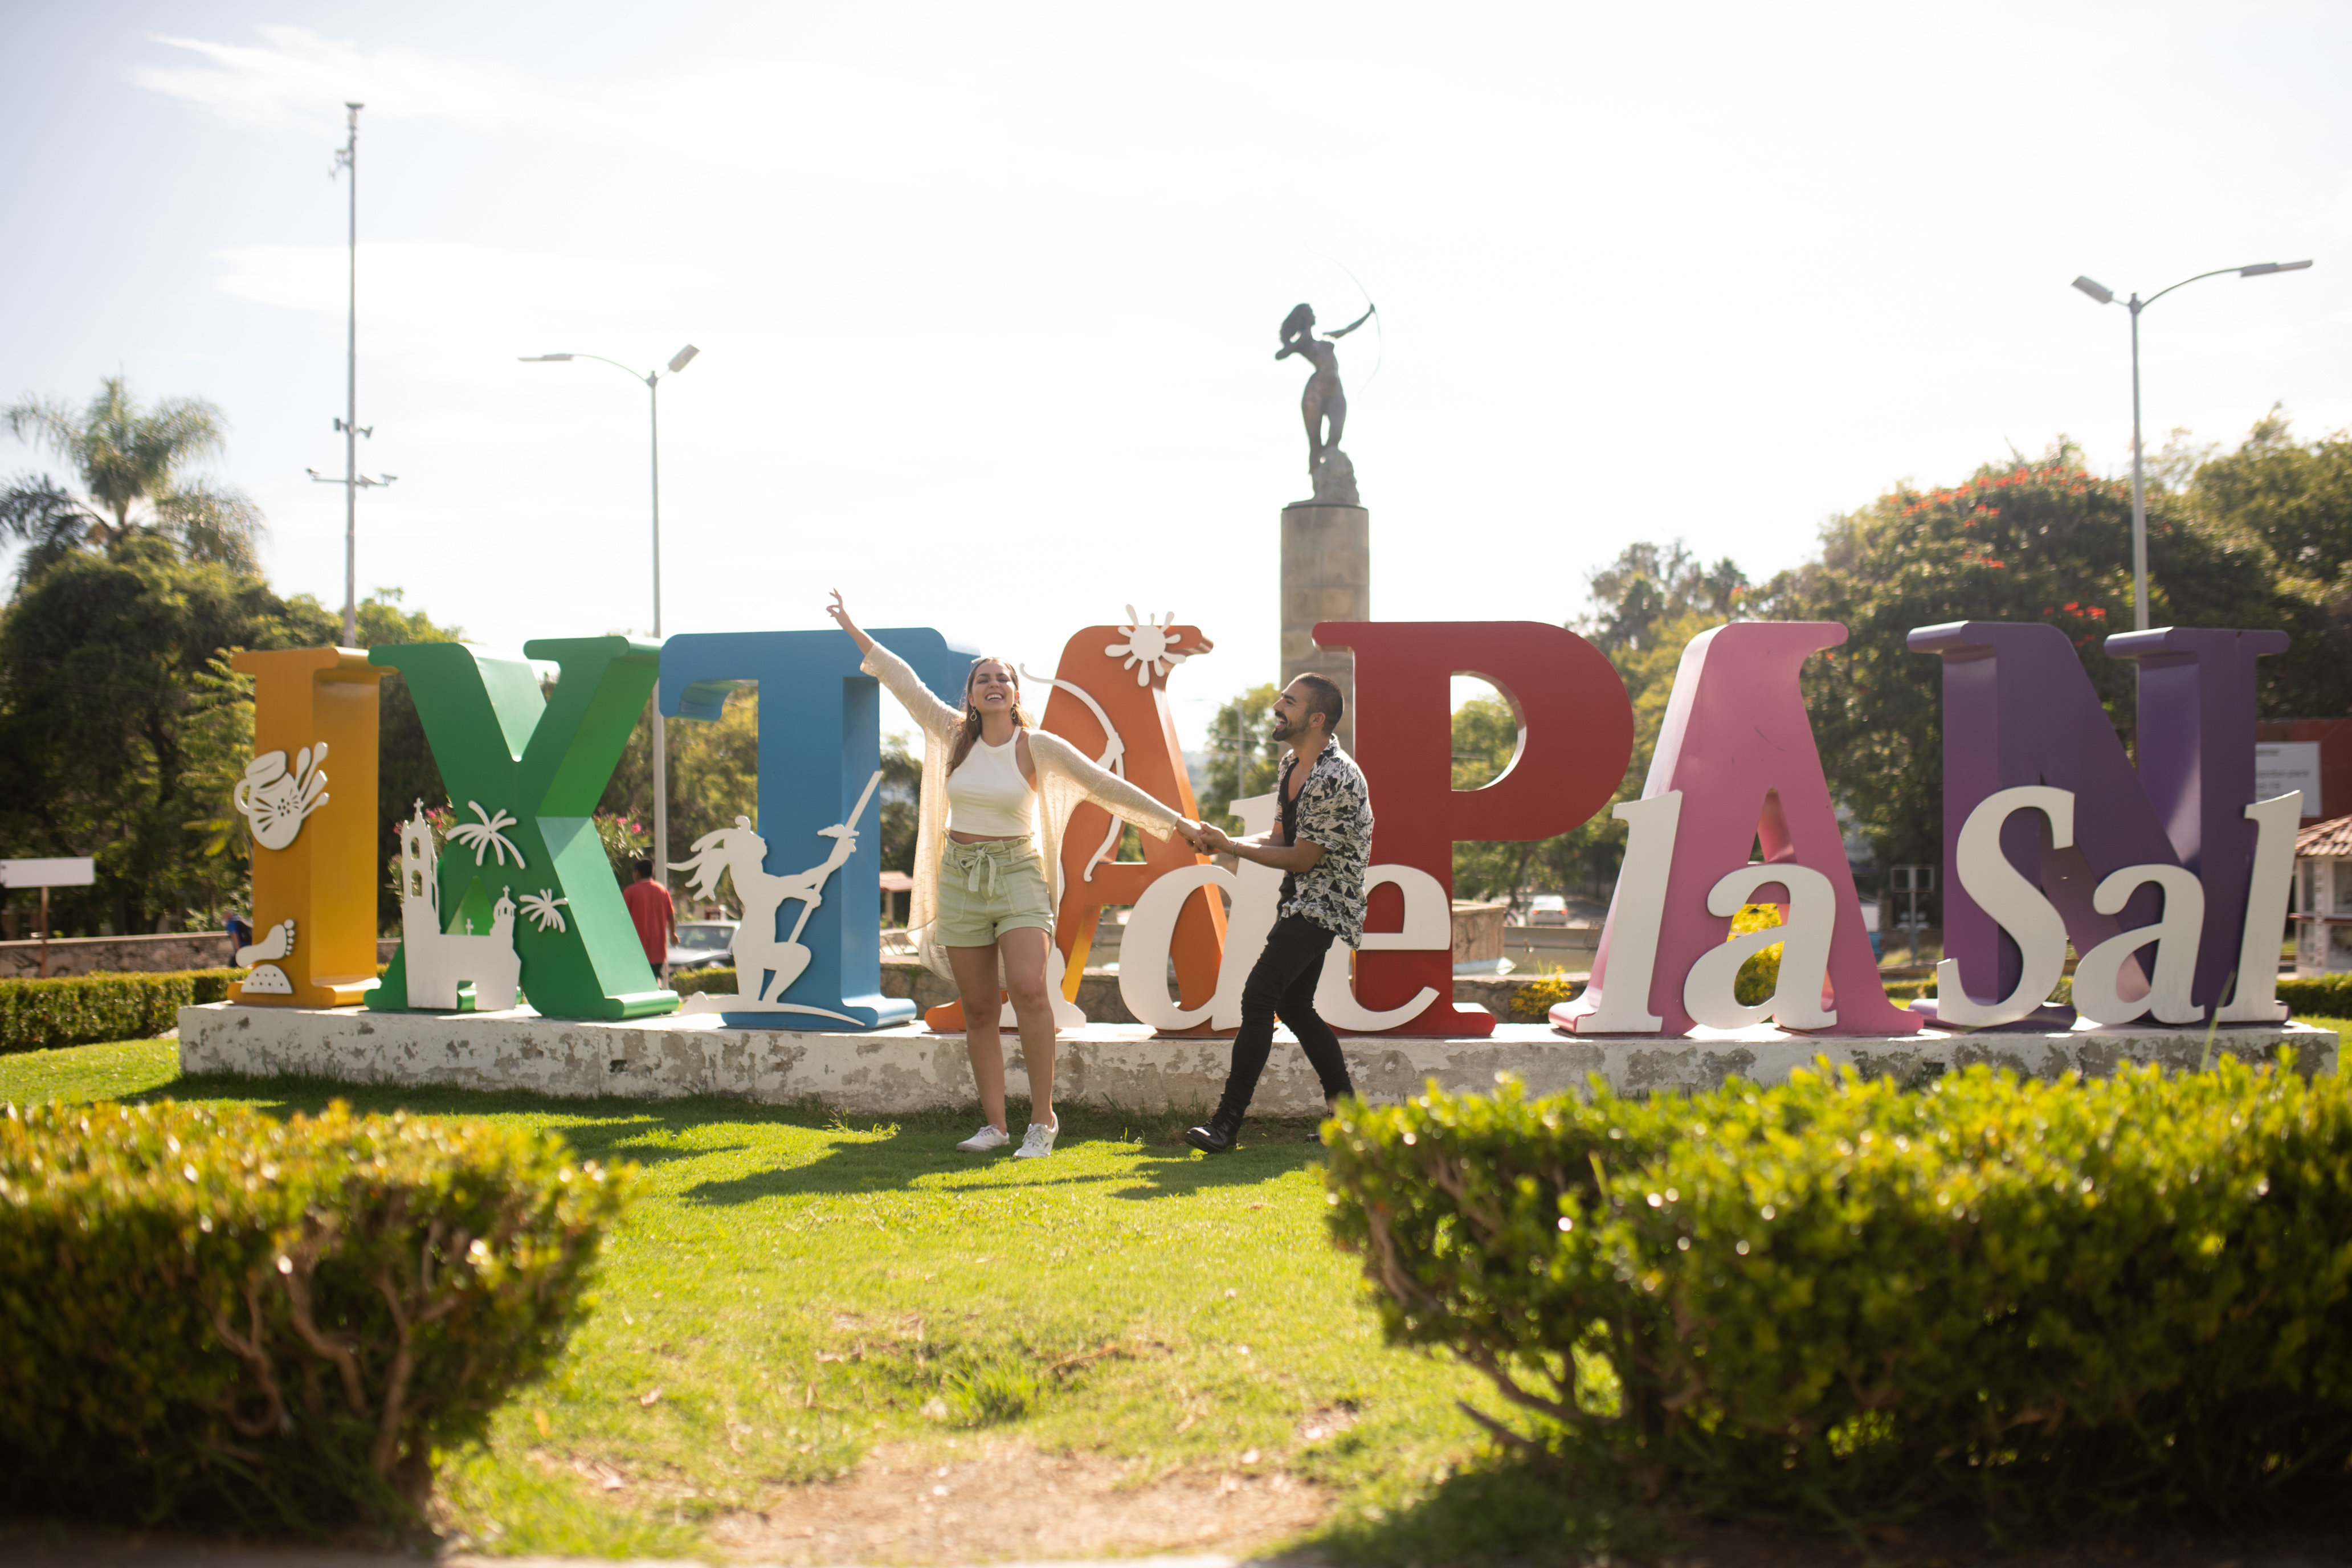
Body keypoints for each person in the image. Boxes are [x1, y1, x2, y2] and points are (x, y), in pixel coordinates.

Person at [826, 591, 1209, 1158]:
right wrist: (853, 627)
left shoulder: (1038, 746)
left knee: (1030, 989)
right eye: (984, 677)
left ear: (1015, 693)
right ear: (973, 694)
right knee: (979, 1007)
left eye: (1003, 677)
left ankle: (1042, 1119)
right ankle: (995, 1125)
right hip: (961, 875)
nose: (994, 683)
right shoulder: (952, 733)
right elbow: (901, 680)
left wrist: (1178, 823)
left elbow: (1108, 788)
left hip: (1017, 873)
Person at [1184, 673, 1372, 1153]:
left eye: (1288, 701)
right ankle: (1348, 1121)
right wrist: (1223, 843)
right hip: (1300, 899)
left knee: (1259, 996)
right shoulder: (1293, 764)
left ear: (1316, 718)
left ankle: (1226, 1123)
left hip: (1325, 905)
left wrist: (1231, 849)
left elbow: (1305, 858)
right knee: (1294, 1006)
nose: (1276, 705)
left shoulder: (1336, 776)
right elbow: (1279, 841)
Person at [621, 859, 675, 981]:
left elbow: (621, 916)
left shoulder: (631, 891)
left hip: (637, 948)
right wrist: (673, 933)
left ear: (637, 873)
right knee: (656, 980)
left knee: (638, 981)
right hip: (658, 949)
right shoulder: (662, 890)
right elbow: (670, 914)